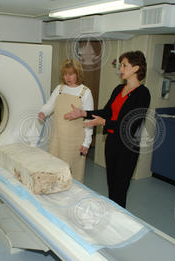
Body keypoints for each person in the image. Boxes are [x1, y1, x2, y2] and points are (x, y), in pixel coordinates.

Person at [64, 51, 150, 208]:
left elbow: (131, 124)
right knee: (111, 185)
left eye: (124, 65)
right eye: (121, 65)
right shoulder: (118, 89)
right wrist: (84, 113)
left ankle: (119, 222)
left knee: (120, 188)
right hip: (112, 143)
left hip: (127, 148)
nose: (121, 69)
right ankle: (112, 216)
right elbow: (106, 112)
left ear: (136, 68)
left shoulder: (143, 94)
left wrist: (104, 122)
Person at [38, 59, 94, 183]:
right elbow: (49, 105)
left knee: (71, 173)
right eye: (65, 74)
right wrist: (43, 112)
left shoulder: (85, 92)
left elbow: (89, 120)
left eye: (71, 74)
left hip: (74, 141)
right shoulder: (60, 89)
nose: (67, 77)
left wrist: (86, 142)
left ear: (78, 74)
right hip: (57, 137)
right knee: (53, 169)